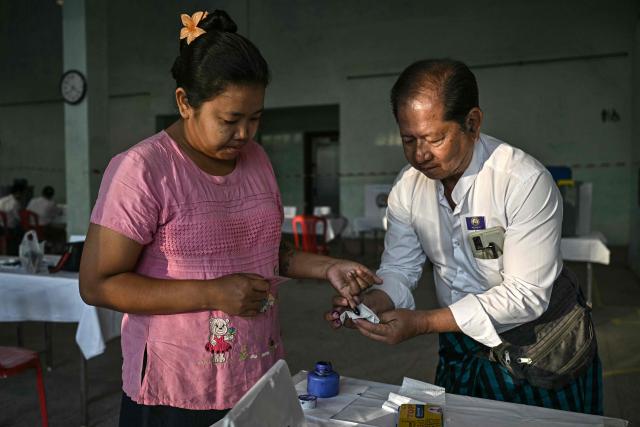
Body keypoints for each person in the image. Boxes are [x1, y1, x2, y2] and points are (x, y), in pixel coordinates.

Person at [79, 10, 380, 426]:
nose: (245, 134)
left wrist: (329, 266)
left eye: (255, 118)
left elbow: (264, 250)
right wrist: (212, 293)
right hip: (175, 390)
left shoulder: (256, 160)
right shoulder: (143, 170)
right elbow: (97, 283)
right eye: (230, 120)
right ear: (185, 102)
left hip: (255, 373)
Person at [327, 59, 602, 414]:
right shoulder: (408, 188)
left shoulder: (521, 181)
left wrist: (424, 323)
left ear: (472, 123)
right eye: (408, 140)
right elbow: (400, 269)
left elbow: (526, 296)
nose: (420, 154)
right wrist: (373, 303)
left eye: (434, 138)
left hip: (541, 342)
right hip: (461, 339)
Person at [0, 182, 26, 254]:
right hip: (8, 229)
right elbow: (18, 218)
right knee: (24, 231)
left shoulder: (2, 200)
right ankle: (15, 253)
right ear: (19, 193)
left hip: (1, 226)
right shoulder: (15, 203)